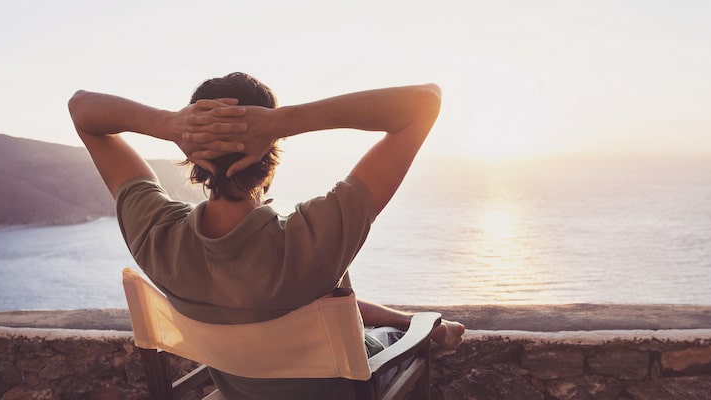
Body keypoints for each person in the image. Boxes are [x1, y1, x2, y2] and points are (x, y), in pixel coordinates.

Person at [69, 72, 464, 399]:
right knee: (394, 338)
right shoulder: (312, 240)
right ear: (269, 156)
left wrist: (167, 124)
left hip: (246, 389)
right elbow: (425, 102)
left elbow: (82, 109)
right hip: (344, 386)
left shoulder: (158, 238)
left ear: (192, 157)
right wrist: (283, 122)